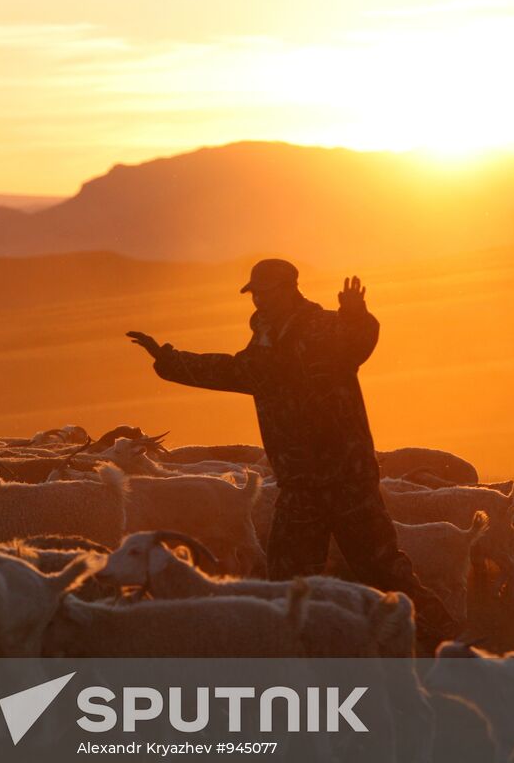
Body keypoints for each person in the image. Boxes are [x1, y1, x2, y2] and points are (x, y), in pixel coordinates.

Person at [126, 258, 458, 648]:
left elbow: (356, 344)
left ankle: (455, 648)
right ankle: (295, 657)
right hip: (301, 484)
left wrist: (357, 315)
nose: (257, 301)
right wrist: (167, 359)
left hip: (345, 477)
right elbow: (232, 371)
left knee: (382, 569)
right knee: (286, 578)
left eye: (263, 292)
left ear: (288, 288)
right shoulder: (265, 340)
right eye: (254, 295)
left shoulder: (322, 327)